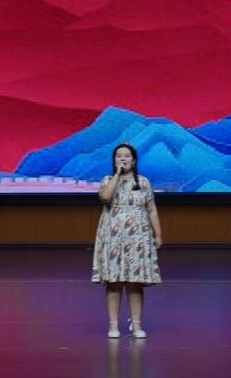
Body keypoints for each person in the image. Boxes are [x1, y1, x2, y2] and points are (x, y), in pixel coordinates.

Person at [92, 143, 162, 338]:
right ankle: (113, 325)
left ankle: (137, 325)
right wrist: (117, 174)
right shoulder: (107, 180)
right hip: (113, 236)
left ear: (134, 160)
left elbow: (152, 210)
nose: (123, 159)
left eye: (127, 156)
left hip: (138, 236)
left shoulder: (143, 182)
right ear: (114, 160)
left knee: (135, 282)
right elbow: (105, 198)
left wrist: (158, 235)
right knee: (114, 282)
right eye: (118, 156)